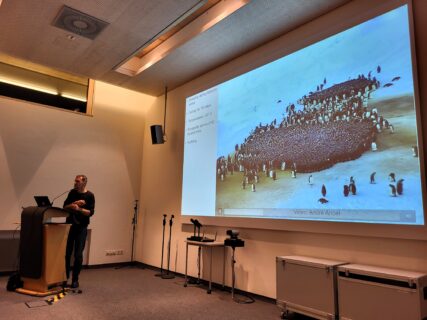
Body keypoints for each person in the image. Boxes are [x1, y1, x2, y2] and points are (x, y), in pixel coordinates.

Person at [64, 175, 95, 288]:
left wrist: (79, 209)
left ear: (84, 182)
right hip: (70, 226)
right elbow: (64, 207)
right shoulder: (72, 193)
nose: (75, 183)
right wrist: (73, 204)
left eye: (77, 181)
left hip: (81, 227)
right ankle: (65, 278)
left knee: (78, 255)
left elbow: (90, 212)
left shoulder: (90, 195)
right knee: (67, 254)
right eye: (75, 181)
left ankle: (75, 280)